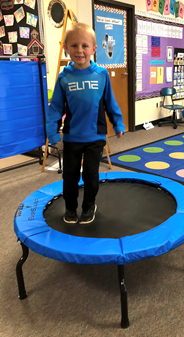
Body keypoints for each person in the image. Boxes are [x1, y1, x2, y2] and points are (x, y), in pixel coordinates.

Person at [46, 23, 124, 224]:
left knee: (91, 175)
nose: (79, 50)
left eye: (84, 46)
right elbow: (55, 107)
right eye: (74, 46)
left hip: (95, 137)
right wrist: (53, 133)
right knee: (70, 176)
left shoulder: (101, 74)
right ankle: (70, 208)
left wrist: (118, 123)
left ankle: (89, 206)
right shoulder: (64, 77)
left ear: (94, 49)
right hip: (72, 137)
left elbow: (110, 102)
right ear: (66, 48)